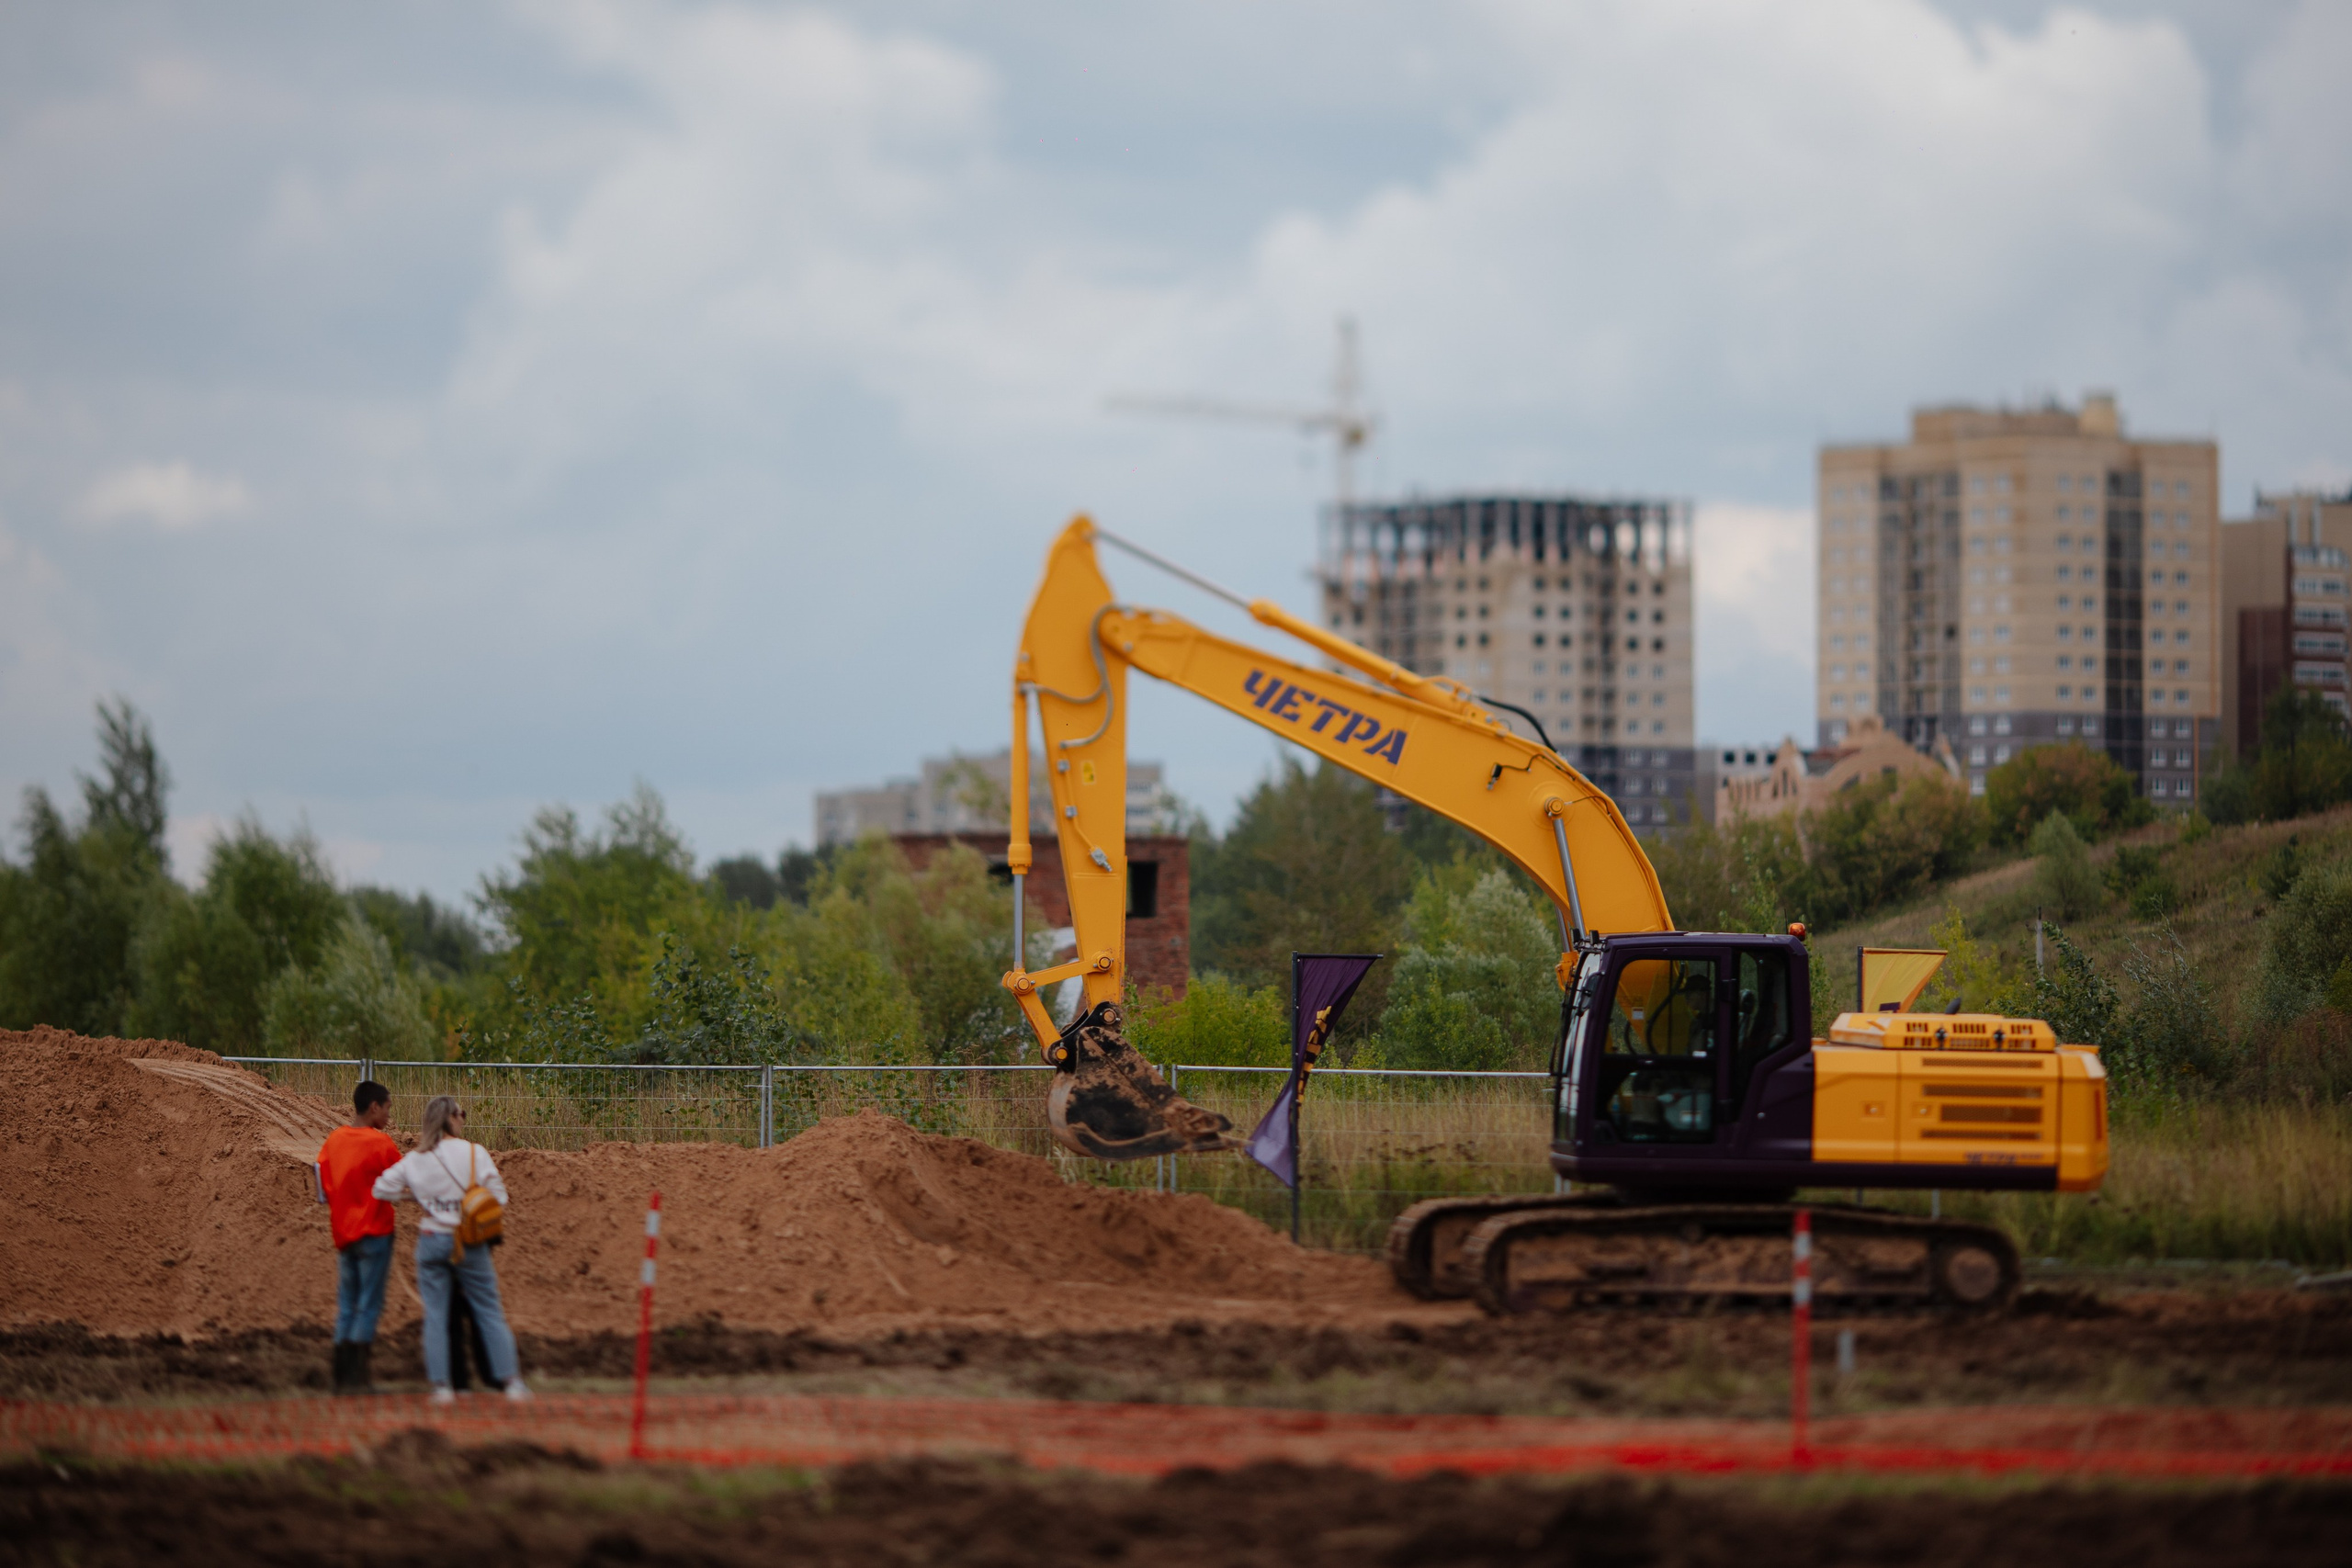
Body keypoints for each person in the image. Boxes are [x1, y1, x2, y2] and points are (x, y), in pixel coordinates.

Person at [373, 1095, 531, 1404]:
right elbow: (499, 1197)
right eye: (461, 1113)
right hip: (468, 1240)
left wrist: (418, 1198)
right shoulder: (475, 1153)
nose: (463, 1119)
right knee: (488, 1310)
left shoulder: (415, 1159)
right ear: (448, 1118)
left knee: (435, 1314)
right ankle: (511, 1383)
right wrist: (471, 1202)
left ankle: (442, 1387)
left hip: (432, 1239)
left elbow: (381, 1188)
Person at [316, 1080, 403, 1394]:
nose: (389, 1115)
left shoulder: (334, 1141)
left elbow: (323, 1187)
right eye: (388, 1107)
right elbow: (404, 1179)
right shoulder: (382, 1145)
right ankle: (359, 1379)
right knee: (369, 1304)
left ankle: (340, 1378)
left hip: (344, 1235)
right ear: (374, 1107)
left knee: (347, 1304)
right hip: (376, 1233)